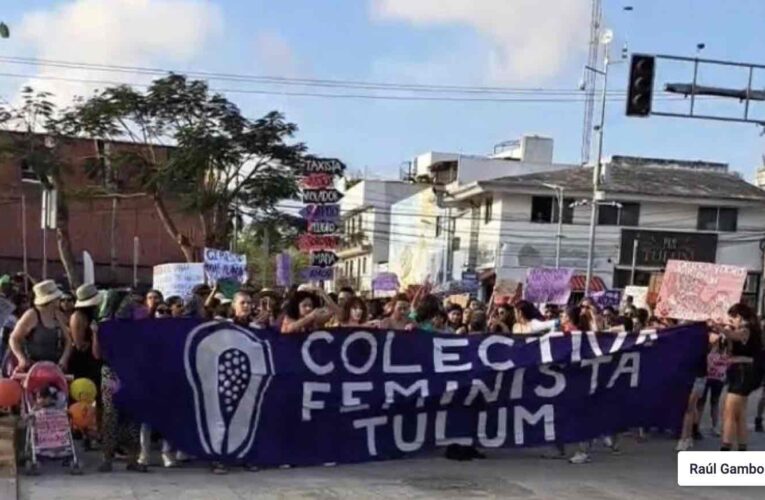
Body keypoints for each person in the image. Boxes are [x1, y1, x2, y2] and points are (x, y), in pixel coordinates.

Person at [93, 291, 146, 473]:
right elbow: (97, 354)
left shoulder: (139, 326)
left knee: (134, 417)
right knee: (111, 417)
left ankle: (132, 459)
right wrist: (95, 334)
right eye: (129, 301)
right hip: (112, 373)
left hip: (133, 374)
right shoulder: (106, 326)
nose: (133, 305)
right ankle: (107, 458)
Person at [712, 303, 763, 451]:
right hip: (739, 371)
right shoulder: (746, 330)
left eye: (732, 318)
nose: (730, 321)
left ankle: (726, 448)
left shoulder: (746, 329)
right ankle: (741, 449)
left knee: (729, 412)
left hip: (743, 373)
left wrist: (718, 326)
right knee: (739, 414)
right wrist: (726, 333)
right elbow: (730, 350)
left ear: (739, 317)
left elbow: (733, 336)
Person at [68, 284, 104, 450]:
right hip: (82, 361)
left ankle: (94, 432)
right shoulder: (78, 316)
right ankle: (83, 431)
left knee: (98, 396)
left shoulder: (93, 315)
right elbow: (79, 344)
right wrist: (94, 338)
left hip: (94, 361)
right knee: (83, 397)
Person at [9, 280, 72, 373]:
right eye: (57, 297)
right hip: (33, 369)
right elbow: (13, 339)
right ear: (51, 300)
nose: (60, 299)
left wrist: (64, 359)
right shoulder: (31, 315)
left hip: (55, 368)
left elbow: (68, 340)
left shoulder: (58, 315)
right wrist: (21, 359)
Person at [697, 337, 727, 438]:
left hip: (719, 378)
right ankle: (696, 426)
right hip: (707, 376)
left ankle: (715, 427)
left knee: (715, 402)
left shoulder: (726, 348)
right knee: (700, 403)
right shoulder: (707, 347)